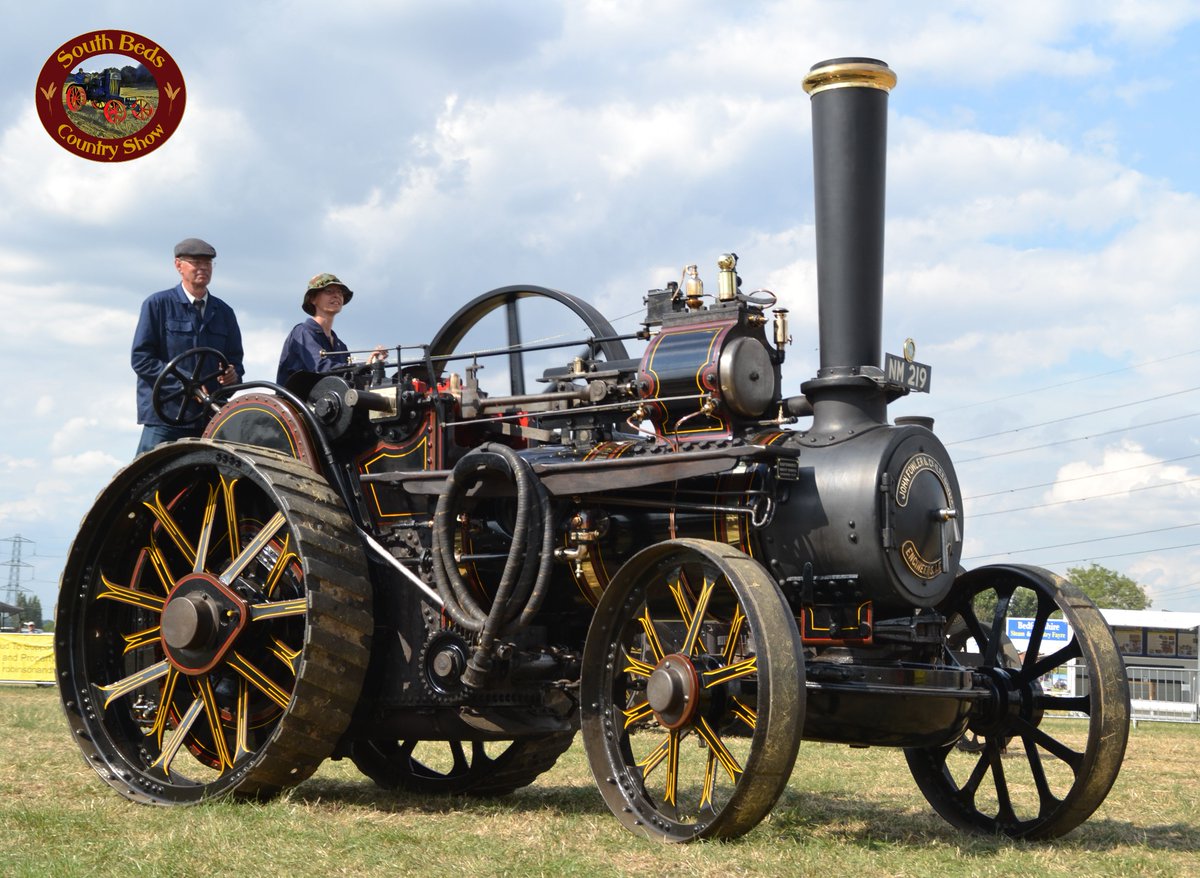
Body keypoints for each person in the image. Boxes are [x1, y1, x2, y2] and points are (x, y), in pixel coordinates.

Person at [131, 238, 245, 456]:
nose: (203, 268)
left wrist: (232, 375)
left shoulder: (224, 312)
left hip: (209, 417)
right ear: (178, 265)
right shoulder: (157, 305)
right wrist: (185, 384)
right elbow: (142, 359)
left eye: (207, 263)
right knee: (145, 479)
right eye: (196, 262)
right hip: (165, 417)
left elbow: (235, 360)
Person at [276, 273, 382, 385]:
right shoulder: (302, 332)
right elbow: (320, 367)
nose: (337, 295)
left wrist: (372, 364)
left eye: (340, 292)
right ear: (313, 299)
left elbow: (349, 378)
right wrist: (362, 366)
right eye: (329, 291)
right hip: (301, 399)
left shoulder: (340, 345)